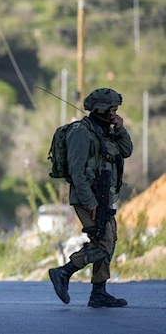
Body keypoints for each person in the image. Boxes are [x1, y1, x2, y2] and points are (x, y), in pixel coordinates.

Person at [49, 88, 133, 308]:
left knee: (109, 240)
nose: (115, 113)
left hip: (105, 195)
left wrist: (120, 128)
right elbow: (77, 172)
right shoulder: (81, 132)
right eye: (113, 109)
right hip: (89, 197)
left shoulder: (105, 131)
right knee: (103, 243)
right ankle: (63, 272)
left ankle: (99, 292)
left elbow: (126, 150)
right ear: (101, 108)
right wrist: (90, 201)